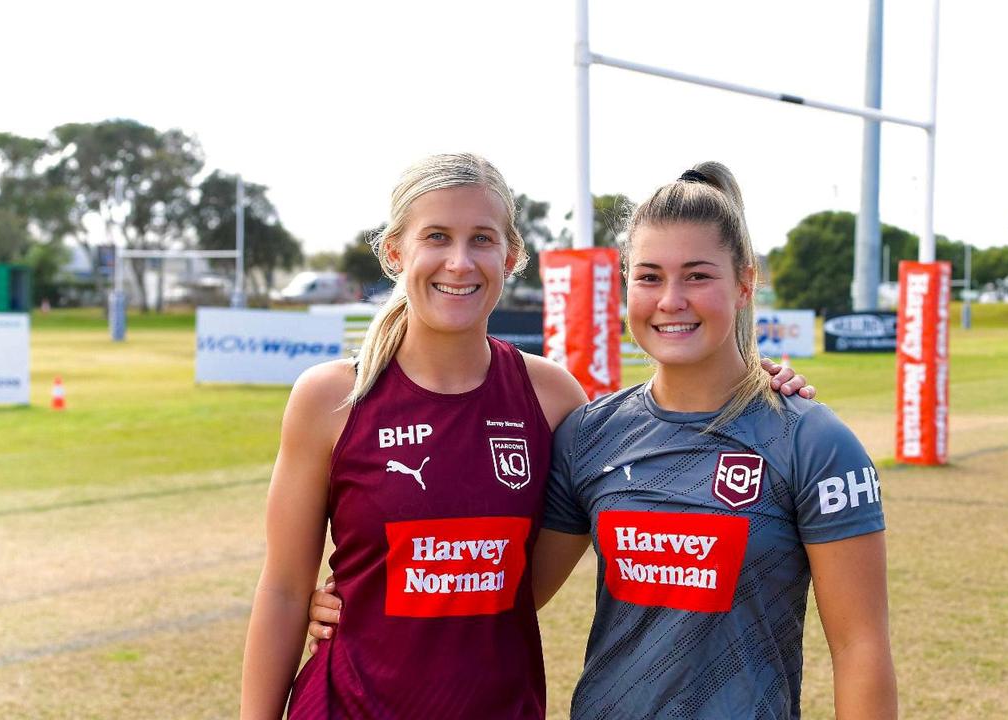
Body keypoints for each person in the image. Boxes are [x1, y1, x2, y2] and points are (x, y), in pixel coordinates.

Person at [309, 162, 896, 718]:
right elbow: (501, 591)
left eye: (697, 276)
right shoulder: (592, 434)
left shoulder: (813, 442)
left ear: (745, 284)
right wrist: (363, 603)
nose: (671, 300)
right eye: (649, 277)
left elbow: (860, 649)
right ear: (625, 288)